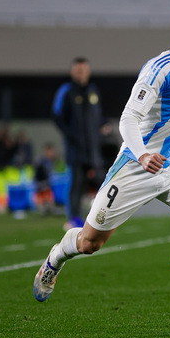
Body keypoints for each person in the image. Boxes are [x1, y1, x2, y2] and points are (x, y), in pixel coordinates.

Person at [34, 2, 170, 331]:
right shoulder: (160, 68)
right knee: (90, 243)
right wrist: (143, 153)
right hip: (137, 166)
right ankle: (56, 258)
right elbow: (129, 117)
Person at [52, 57, 107, 229]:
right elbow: (57, 115)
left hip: (93, 149)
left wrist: (103, 126)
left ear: (88, 72)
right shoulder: (66, 91)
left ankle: (103, 217)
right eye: (78, 70)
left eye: (83, 70)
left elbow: (98, 116)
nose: (81, 73)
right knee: (76, 184)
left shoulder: (93, 91)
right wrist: (72, 136)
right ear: (72, 72)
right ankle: (73, 218)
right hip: (75, 149)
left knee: (103, 183)